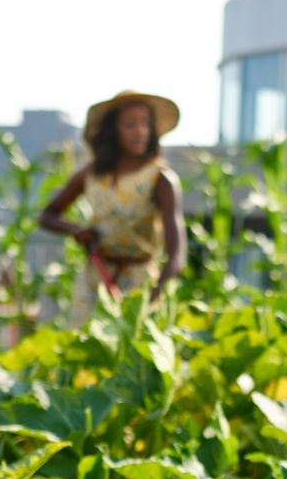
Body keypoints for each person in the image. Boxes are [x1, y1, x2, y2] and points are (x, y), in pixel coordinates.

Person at [37, 90, 188, 323]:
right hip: (95, 277)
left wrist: (152, 296)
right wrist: (77, 231)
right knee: (83, 348)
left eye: (146, 125)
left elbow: (176, 255)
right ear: (112, 131)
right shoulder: (91, 174)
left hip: (139, 283)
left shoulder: (160, 178)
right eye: (130, 125)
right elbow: (47, 216)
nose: (140, 132)